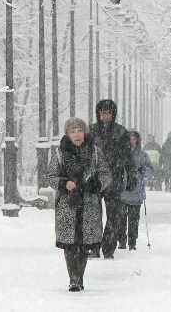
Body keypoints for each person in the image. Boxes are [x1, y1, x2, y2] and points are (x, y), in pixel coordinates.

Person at [45, 117, 111, 292]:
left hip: (89, 204)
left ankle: (79, 276)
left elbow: (106, 174)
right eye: (73, 131)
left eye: (80, 130)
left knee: (84, 244)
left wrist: (96, 184)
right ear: (67, 134)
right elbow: (51, 176)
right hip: (67, 204)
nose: (77, 134)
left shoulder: (95, 152)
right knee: (70, 244)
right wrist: (64, 183)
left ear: (85, 132)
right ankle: (73, 279)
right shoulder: (60, 153)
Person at [88, 99, 135, 258]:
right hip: (94, 179)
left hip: (115, 178)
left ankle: (108, 248)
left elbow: (128, 156)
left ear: (113, 114)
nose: (105, 116)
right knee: (93, 215)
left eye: (108, 113)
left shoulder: (121, 132)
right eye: (103, 113)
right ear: (98, 114)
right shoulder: (91, 131)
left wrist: (131, 176)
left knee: (114, 216)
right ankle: (94, 248)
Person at [120, 131, 155, 249]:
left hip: (137, 190)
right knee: (121, 218)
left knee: (134, 219)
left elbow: (151, 171)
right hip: (122, 190)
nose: (132, 141)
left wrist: (143, 170)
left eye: (134, 139)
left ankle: (132, 242)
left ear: (137, 140)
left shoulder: (143, 155)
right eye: (130, 139)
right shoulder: (121, 154)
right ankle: (122, 240)